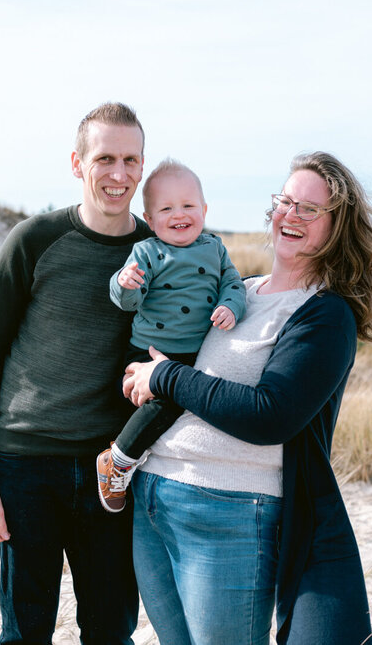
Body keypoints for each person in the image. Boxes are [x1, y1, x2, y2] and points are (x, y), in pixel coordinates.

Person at [123, 151, 372, 645]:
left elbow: (271, 416)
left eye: (311, 209)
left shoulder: (325, 315)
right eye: (286, 201)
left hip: (229, 512)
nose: (292, 214)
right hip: (154, 497)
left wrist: (166, 378)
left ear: (337, 228)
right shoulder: (238, 292)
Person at [0, 102, 150, 645]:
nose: (119, 175)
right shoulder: (33, 241)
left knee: (112, 630)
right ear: (77, 163)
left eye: (131, 160)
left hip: (111, 471)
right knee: (24, 632)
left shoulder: (160, 252)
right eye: (105, 159)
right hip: (25, 466)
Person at [96, 158, 247, 513]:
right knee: (161, 404)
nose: (179, 214)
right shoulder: (147, 252)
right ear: (150, 220)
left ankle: (130, 459)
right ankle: (117, 459)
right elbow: (128, 301)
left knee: (175, 407)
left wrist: (231, 306)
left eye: (188, 205)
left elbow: (233, 285)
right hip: (148, 352)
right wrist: (125, 283)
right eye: (166, 208)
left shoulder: (215, 248)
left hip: (195, 354)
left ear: (204, 209)